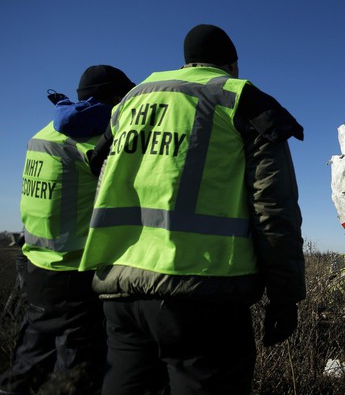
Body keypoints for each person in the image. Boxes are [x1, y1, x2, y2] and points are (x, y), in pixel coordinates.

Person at [80, 24, 306, 395]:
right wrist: (284, 297)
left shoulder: (132, 101)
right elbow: (273, 207)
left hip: (121, 294)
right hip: (202, 296)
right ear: (231, 64)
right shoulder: (241, 99)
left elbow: (97, 166)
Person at [1, 66, 135, 395]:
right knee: (75, 372)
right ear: (116, 98)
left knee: (31, 360)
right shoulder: (97, 139)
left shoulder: (45, 132)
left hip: (36, 266)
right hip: (75, 269)